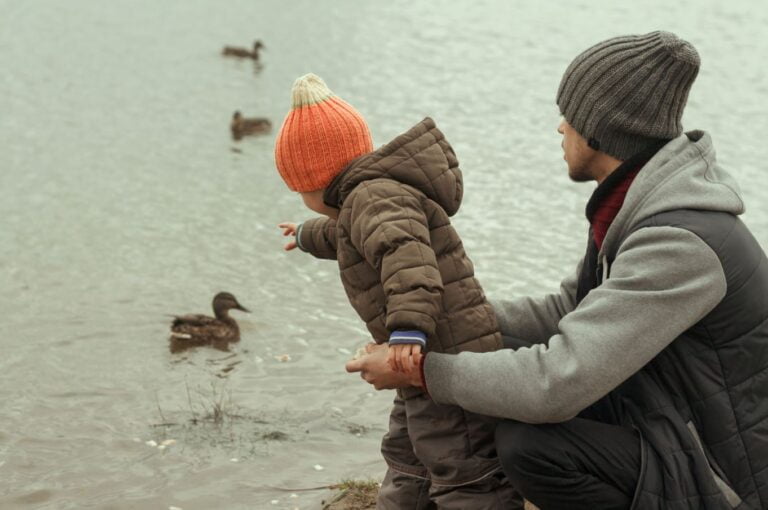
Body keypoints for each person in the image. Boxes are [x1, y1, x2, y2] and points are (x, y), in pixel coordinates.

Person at [347, 31, 768, 510]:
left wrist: (422, 372)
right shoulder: (641, 207)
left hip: (729, 478)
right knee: (495, 377)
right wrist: (449, 324)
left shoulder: (679, 245)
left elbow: (555, 385)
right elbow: (569, 309)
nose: (560, 128)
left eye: (569, 116)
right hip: (667, 417)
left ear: (600, 132)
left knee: (530, 446)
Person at [273, 73, 519, 509]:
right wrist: (307, 235)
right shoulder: (367, 201)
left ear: (314, 181)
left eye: (300, 190)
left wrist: (408, 328)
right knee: (408, 455)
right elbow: (347, 235)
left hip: (444, 356)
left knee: (463, 467)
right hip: (421, 361)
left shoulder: (373, 199)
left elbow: (407, 258)